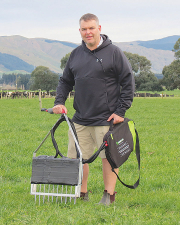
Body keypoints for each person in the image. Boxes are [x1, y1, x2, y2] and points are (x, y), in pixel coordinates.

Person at [53, 13, 134, 205]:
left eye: (91, 28)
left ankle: (109, 195)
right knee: (78, 158)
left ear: (99, 28)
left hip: (107, 118)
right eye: (84, 29)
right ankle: (82, 193)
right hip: (80, 118)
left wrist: (121, 111)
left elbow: (128, 82)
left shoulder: (114, 52)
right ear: (79, 31)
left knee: (109, 158)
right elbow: (65, 81)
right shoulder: (75, 55)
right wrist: (59, 101)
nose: (88, 32)